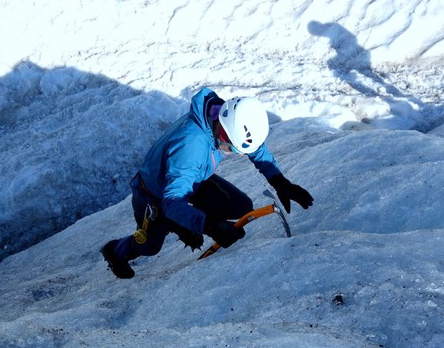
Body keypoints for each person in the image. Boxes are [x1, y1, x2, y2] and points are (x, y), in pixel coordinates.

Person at [101, 87, 313, 278]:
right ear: (223, 132)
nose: (237, 155)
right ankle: (115, 251)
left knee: (241, 207)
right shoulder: (190, 147)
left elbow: (252, 146)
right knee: (149, 245)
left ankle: (184, 220)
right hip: (155, 195)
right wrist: (209, 225)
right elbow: (171, 201)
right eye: (233, 150)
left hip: (193, 180)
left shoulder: (225, 117)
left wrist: (279, 180)